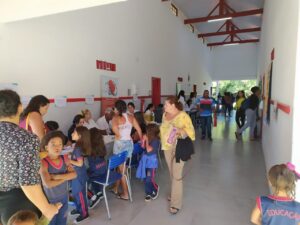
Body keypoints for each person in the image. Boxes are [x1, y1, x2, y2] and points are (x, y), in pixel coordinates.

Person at [0, 90, 60, 225]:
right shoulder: (25, 138)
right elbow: (28, 182)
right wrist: (47, 209)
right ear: (20, 107)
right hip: (18, 207)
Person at [160, 96, 195, 214]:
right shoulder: (165, 115)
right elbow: (164, 128)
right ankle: (174, 193)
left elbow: (191, 132)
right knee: (171, 172)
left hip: (179, 147)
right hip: (167, 147)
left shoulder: (183, 116)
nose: (164, 107)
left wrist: (180, 131)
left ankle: (176, 203)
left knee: (176, 175)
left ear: (173, 105)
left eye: (166, 105)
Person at [39, 131, 77, 225]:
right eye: (53, 144)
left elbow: (74, 174)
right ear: (46, 147)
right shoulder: (43, 162)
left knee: (62, 221)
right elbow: (48, 184)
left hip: (64, 196)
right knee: (51, 222)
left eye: (60, 144)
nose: (57, 147)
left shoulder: (65, 158)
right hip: (49, 200)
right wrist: (66, 177)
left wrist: (56, 176)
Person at [111, 100, 142, 200]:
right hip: (129, 144)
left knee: (122, 171)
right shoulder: (131, 117)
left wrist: (119, 136)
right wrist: (142, 141)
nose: (114, 110)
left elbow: (115, 131)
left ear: (117, 109)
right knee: (122, 168)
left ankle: (125, 194)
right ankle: (116, 188)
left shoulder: (115, 118)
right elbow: (139, 130)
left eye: (114, 108)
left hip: (120, 145)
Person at [69, 126, 91, 223]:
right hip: (76, 174)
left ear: (80, 136)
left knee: (79, 194)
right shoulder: (78, 146)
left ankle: (84, 213)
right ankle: (78, 209)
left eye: (74, 132)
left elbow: (80, 163)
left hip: (78, 175)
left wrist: (68, 160)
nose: (72, 134)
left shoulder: (78, 148)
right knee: (75, 193)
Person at [136, 124, 160, 202]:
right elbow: (143, 148)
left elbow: (149, 150)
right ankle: (148, 193)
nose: (145, 132)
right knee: (146, 178)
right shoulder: (150, 138)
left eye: (147, 131)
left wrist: (146, 141)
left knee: (149, 179)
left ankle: (155, 188)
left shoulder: (156, 141)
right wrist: (143, 140)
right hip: (145, 162)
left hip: (151, 164)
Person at [87, 128, 107, 209]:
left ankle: (93, 197)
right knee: (92, 173)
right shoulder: (102, 145)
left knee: (82, 178)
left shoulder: (89, 147)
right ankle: (99, 193)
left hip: (95, 172)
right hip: (103, 169)